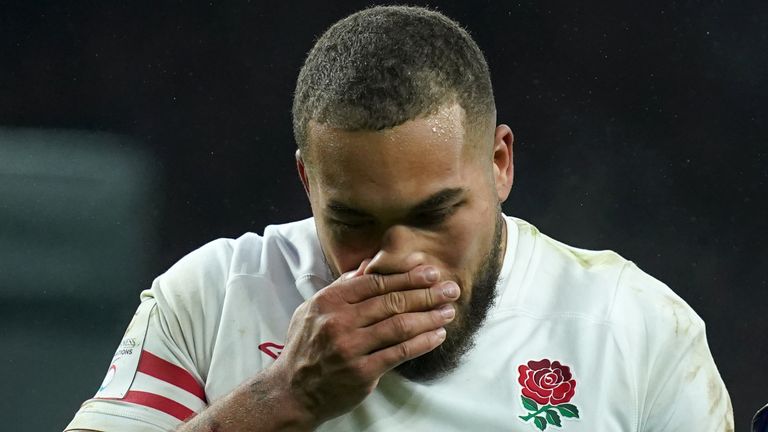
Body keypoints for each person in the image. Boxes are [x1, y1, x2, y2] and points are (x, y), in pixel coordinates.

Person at [66, 6, 733, 432]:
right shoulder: (214, 296)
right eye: (354, 220)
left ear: (500, 163)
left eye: (436, 212)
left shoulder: (635, 328)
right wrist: (277, 403)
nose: (401, 257)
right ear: (307, 181)